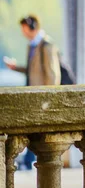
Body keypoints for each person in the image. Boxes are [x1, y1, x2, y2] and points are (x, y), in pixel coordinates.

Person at [3, 15, 62, 170]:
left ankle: (29, 159)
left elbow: (53, 74)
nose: (23, 33)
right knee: (32, 128)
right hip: (32, 95)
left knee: (36, 129)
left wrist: (50, 97)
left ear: (32, 27)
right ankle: (29, 159)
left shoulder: (46, 45)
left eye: (24, 29)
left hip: (42, 97)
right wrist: (15, 67)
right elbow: (32, 71)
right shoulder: (33, 46)